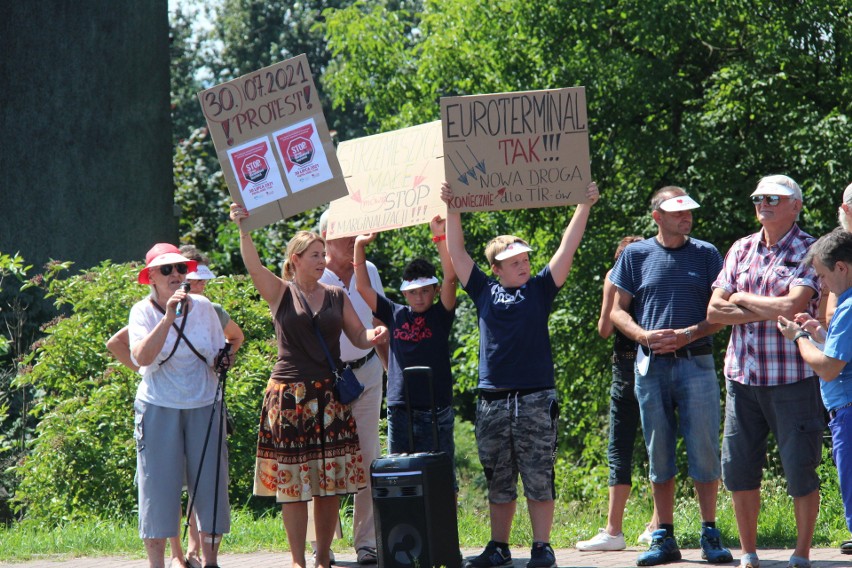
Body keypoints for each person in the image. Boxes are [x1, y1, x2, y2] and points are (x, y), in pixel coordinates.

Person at [442, 180, 599, 568]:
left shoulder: (541, 289)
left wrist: (584, 206)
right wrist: (453, 208)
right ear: (496, 268)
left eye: (526, 258)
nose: (524, 264)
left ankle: (542, 547)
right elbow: (457, 251)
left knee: (539, 473)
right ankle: (499, 547)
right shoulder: (482, 289)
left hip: (535, 397)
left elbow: (567, 248)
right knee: (498, 476)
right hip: (493, 398)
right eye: (515, 261)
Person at [229, 203, 387, 568]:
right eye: (314, 255)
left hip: (328, 398)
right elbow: (253, 265)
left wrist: (373, 335)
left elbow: (359, 336)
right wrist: (244, 229)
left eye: (322, 255)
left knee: (329, 482)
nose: (321, 261)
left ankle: (323, 559)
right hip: (289, 398)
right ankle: (299, 559)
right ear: (295, 260)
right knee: (294, 485)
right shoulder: (280, 293)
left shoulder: (335, 295)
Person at [609, 187, 731, 567]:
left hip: (696, 362)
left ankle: (710, 532)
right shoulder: (635, 254)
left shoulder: (708, 254)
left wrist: (689, 333)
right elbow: (616, 311)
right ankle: (664, 536)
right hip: (649, 366)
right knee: (658, 452)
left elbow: (721, 312)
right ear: (657, 216)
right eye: (677, 212)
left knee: (705, 449)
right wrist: (643, 336)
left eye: (689, 211)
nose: (687, 217)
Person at [707, 174, 822, 568]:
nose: (764, 202)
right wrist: (766, 306)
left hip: (794, 379)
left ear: (796, 206)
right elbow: (712, 312)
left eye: (774, 197)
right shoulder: (741, 248)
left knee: (800, 469)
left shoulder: (810, 250)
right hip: (742, 378)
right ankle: (750, 553)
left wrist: (738, 298)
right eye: (758, 196)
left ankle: (802, 553)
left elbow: (793, 307)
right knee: (738, 470)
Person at [108, 249, 244, 568]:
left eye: (181, 268)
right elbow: (141, 356)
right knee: (158, 489)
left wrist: (224, 359)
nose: (175, 274)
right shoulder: (142, 311)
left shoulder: (206, 308)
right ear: (151, 277)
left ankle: (211, 561)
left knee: (210, 485)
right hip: (158, 406)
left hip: (205, 404)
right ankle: (159, 563)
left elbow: (216, 352)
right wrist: (168, 316)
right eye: (166, 269)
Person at [353, 215, 457, 470]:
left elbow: (450, 277)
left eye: (424, 291)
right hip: (401, 407)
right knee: (402, 475)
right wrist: (359, 246)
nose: (419, 297)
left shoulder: (441, 314)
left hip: (437, 407)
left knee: (442, 477)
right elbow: (362, 288)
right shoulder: (394, 313)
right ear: (404, 293)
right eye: (413, 292)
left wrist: (440, 238)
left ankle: (443, 512)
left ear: (434, 291)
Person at [576, 235, 658, 551]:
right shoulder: (655, 274)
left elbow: (604, 328)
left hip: (626, 367)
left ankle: (614, 530)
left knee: (620, 448)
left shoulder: (617, 279)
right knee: (657, 445)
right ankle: (655, 525)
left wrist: (610, 287)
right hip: (656, 364)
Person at [317, 210, 389, 565]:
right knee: (325, 460)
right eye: (345, 231)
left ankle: (367, 543)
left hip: (367, 372)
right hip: (326, 379)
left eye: (355, 231)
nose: (353, 238)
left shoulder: (369, 270)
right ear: (326, 236)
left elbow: (379, 321)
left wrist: (393, 372)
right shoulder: (314, 273)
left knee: (368, 457)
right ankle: (323, 543)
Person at [776, 229, 852, 556]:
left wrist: (798, 338)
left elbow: (827, 367)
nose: (821, 285)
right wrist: (819, 331)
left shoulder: (848, 307)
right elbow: (841, 354)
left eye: (822, 275)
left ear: (842, 268)